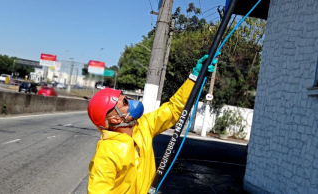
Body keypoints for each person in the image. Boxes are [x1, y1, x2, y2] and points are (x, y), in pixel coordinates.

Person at [87, 54, 219, 194]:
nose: (131, 100)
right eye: (125, 102)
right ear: (115, 120)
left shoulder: (143, 126)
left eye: (126, 97)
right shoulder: (106, 153)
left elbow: (173, 108)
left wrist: (194, 78)